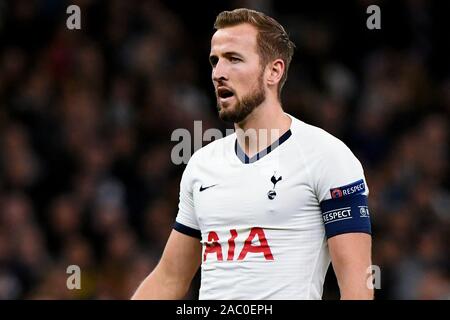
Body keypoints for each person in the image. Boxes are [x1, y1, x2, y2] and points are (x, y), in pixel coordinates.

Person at [132, 8, 373, 300]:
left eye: (234, 59)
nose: (218, 73)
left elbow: (357, 288)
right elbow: (169, 279)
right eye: (215, 61)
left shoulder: (327, 156)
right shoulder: (201, 165)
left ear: (274, 71)